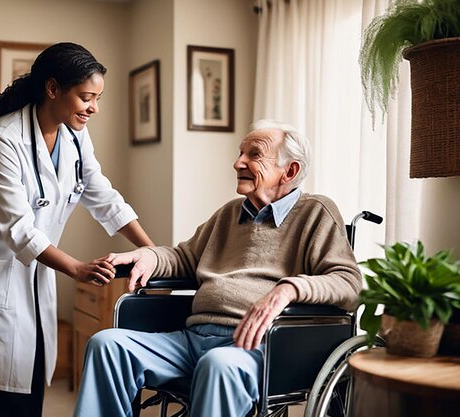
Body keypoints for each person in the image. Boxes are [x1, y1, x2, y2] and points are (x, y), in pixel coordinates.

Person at [73, 120, 362, 417]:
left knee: (218, 365)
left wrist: (289, 289)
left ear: (290, 171)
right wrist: (150, 257)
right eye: (240, 154)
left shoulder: (316, 212)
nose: (238, 163)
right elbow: (185, 257)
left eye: (254, 154)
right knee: (107, 345)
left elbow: (349, 283)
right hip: (192, 339)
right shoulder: (229, 214)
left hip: (261, 344)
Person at [0, 42, 153, 417]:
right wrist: (76, 268)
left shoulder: (75, 134)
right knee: (8, 372)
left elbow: (103, 195)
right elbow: (18, 228)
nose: (94, 108)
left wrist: (154, 253)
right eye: (86, 97)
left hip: (36, 262)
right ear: (53, 89)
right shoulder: (3, 139)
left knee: (35, 362)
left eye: (97, 98)